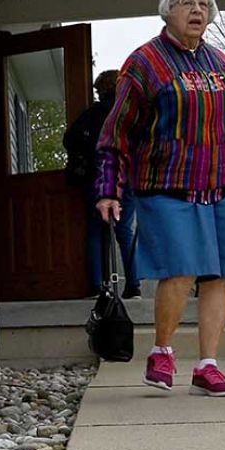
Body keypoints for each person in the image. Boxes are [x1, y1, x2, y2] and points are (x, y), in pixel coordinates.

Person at [95, 0, 225, 397]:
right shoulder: (145, 62)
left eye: (204, 4)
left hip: (219, 183)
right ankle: (162, 351)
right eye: (186, 3)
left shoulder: (222, 65)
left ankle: (208, 366)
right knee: (182, 268)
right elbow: (117, 131)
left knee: (218, 274)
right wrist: (109, 187)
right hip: (166, 184)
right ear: (167, 10)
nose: (197, 11)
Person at [64, 70, 138, 298]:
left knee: (96, 231)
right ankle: (133, 285)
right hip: (127, 178)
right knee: (125, 231)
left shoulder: (93, 114)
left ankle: (98, 286)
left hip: (99, 180)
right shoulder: (131, 114)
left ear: (101, 90)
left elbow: (69, 139)